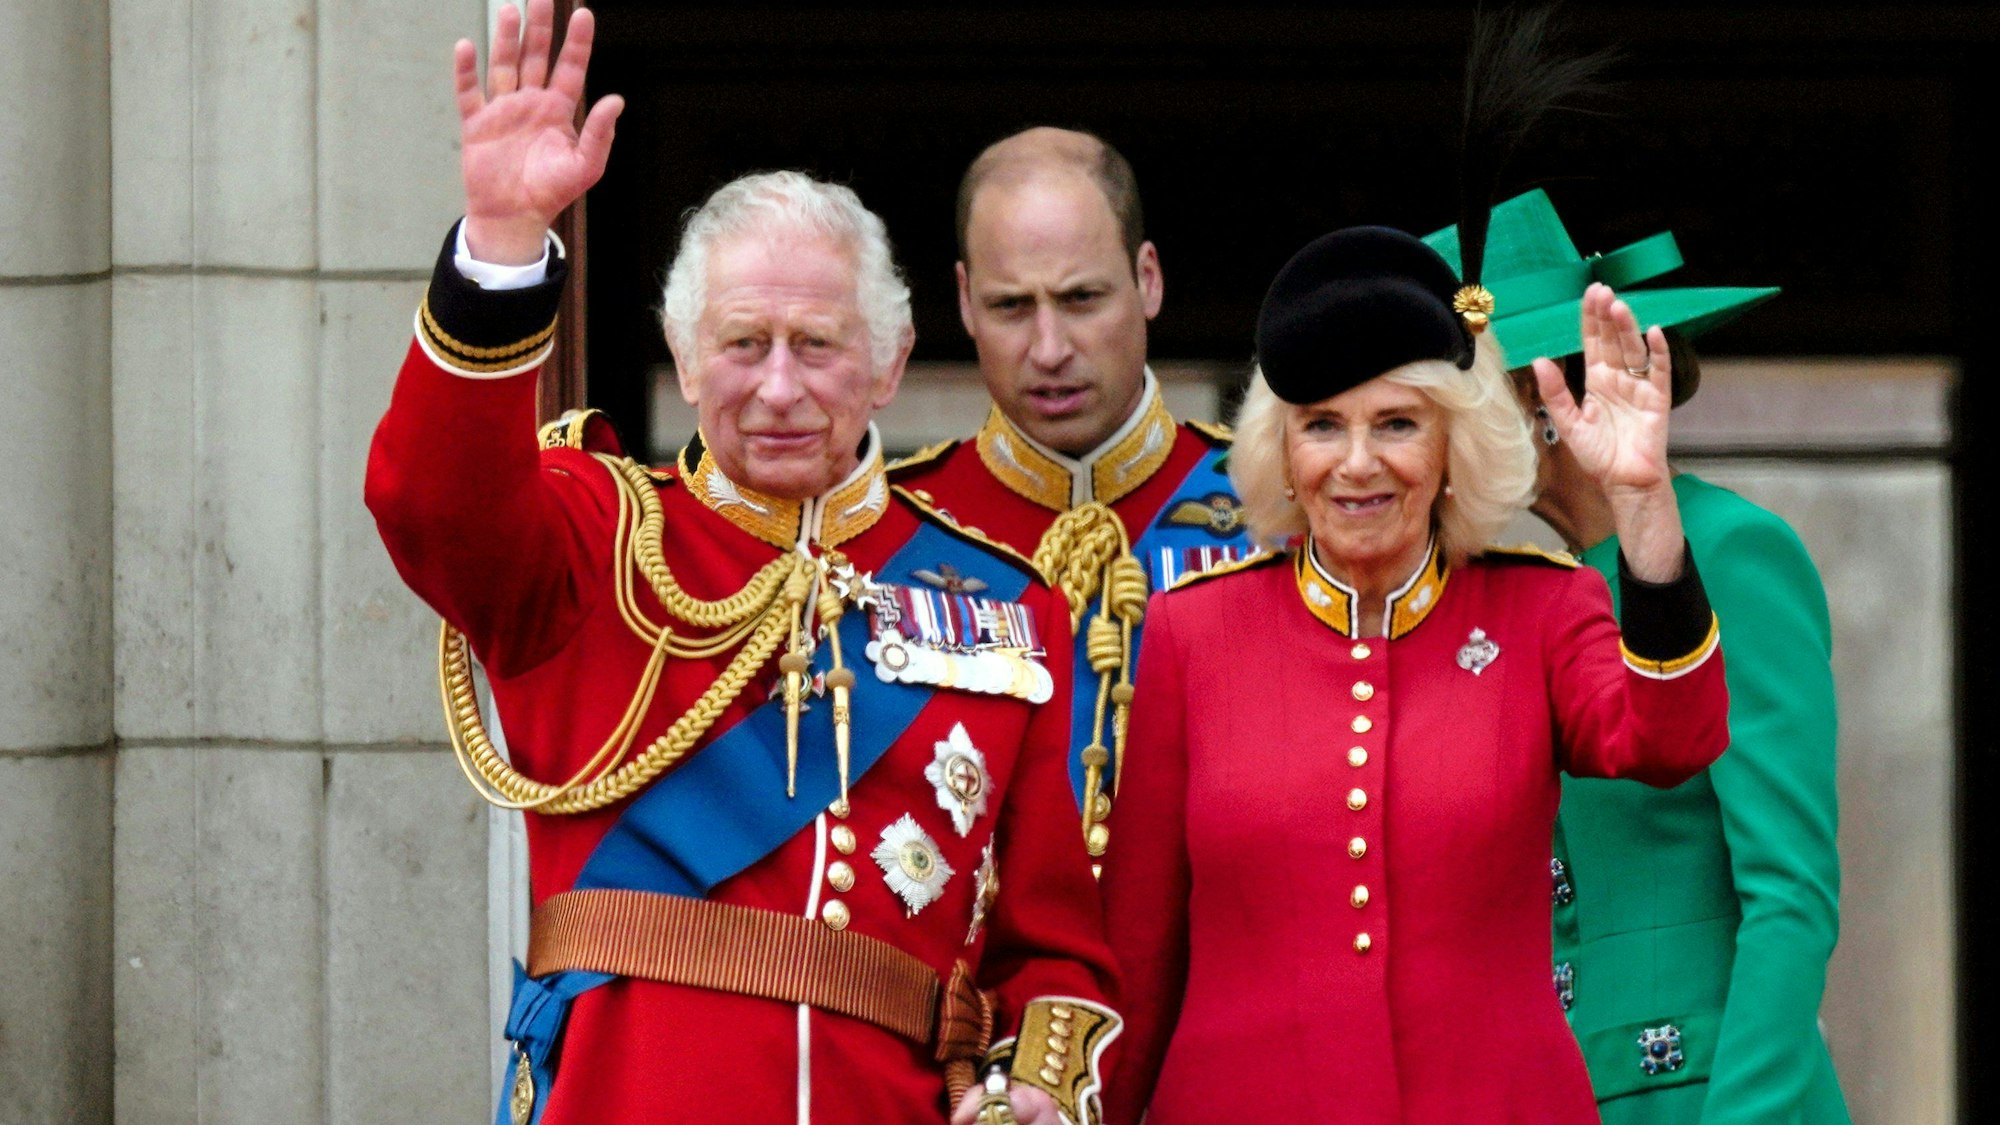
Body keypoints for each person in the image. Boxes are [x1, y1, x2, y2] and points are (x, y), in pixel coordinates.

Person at [363, 5, 1118, 1123]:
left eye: (815, 347)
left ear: (887, 361)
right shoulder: (591, 540)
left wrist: (1039, 1092)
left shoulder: (1008, 606)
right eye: (740, 344)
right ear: (680, 351)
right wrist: (502, 245)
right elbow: (427, 499)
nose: (775, 388)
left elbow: (1053, 949)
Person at [1099, 216, 1733, 1122]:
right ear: (1284, 452)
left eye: (1397, 424)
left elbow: (1673, 738)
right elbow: (1138, 950)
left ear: (1450, 449)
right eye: (1323, 426)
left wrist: (1641, 504)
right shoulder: (1195, 633)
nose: (1358, 464)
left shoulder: (1541, 611)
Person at [1425, 189, 1852, 1123]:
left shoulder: (1729, 550)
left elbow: (1791, 896)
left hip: (1716, 1097)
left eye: (1458, 403)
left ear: (1542, 400)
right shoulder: (1534, 589)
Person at [890, 127, 1254, 864]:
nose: (1050, 347)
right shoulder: (889, 527)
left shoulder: (1277, 509)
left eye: (1082, 298)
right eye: (1012, 307)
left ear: (1148, 279)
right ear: (964, 301)